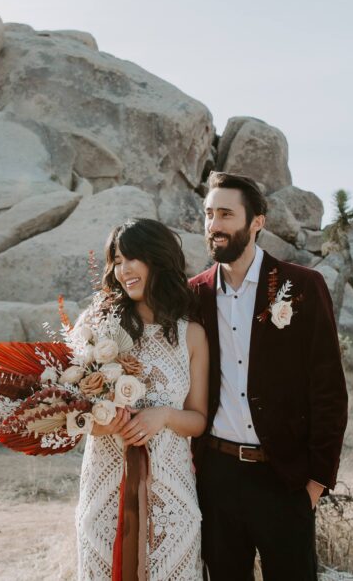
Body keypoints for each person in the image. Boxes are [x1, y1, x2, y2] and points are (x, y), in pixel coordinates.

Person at [190, 172, 349, 580]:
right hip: (217, 476)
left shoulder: (303, 287)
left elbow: (329, 389)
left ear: (257, 221)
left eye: (226, 214)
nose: (214, 225)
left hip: (284, 477)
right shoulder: (195, 295)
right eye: (209, 214)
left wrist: (316, 482)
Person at [76, 217, 210, 581]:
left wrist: (163, 416)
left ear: (158, 259)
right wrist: (104, 423)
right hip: (106, 491)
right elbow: (74, 414)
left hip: (172, 496)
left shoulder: (191, 336)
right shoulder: (96, 329)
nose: (123, 270)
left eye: (132, 258)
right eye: (117, 260)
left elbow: (198, 420)